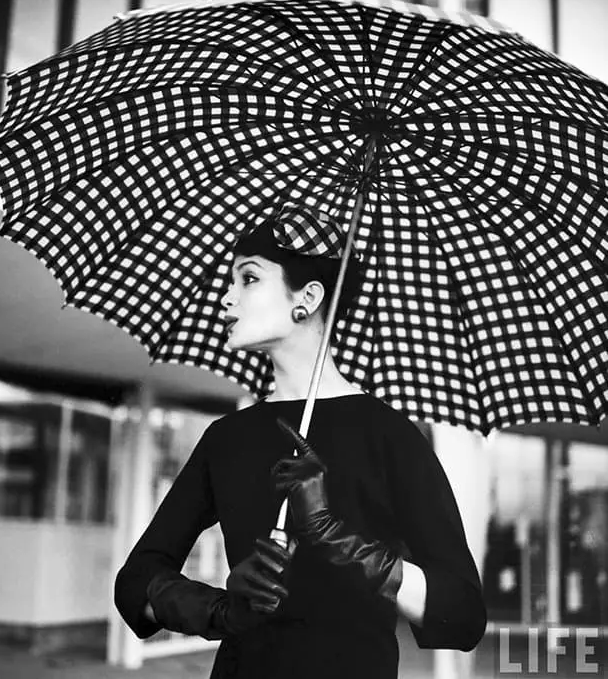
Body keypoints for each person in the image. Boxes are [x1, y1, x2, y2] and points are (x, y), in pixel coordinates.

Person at [115, 206, 487, 678]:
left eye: (248, 279)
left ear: (307, 298)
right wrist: (220, 609)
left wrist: (341, 541)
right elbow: (136, 581)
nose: (225, 300)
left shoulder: (392, 436)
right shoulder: (227, 438)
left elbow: (463, 614)